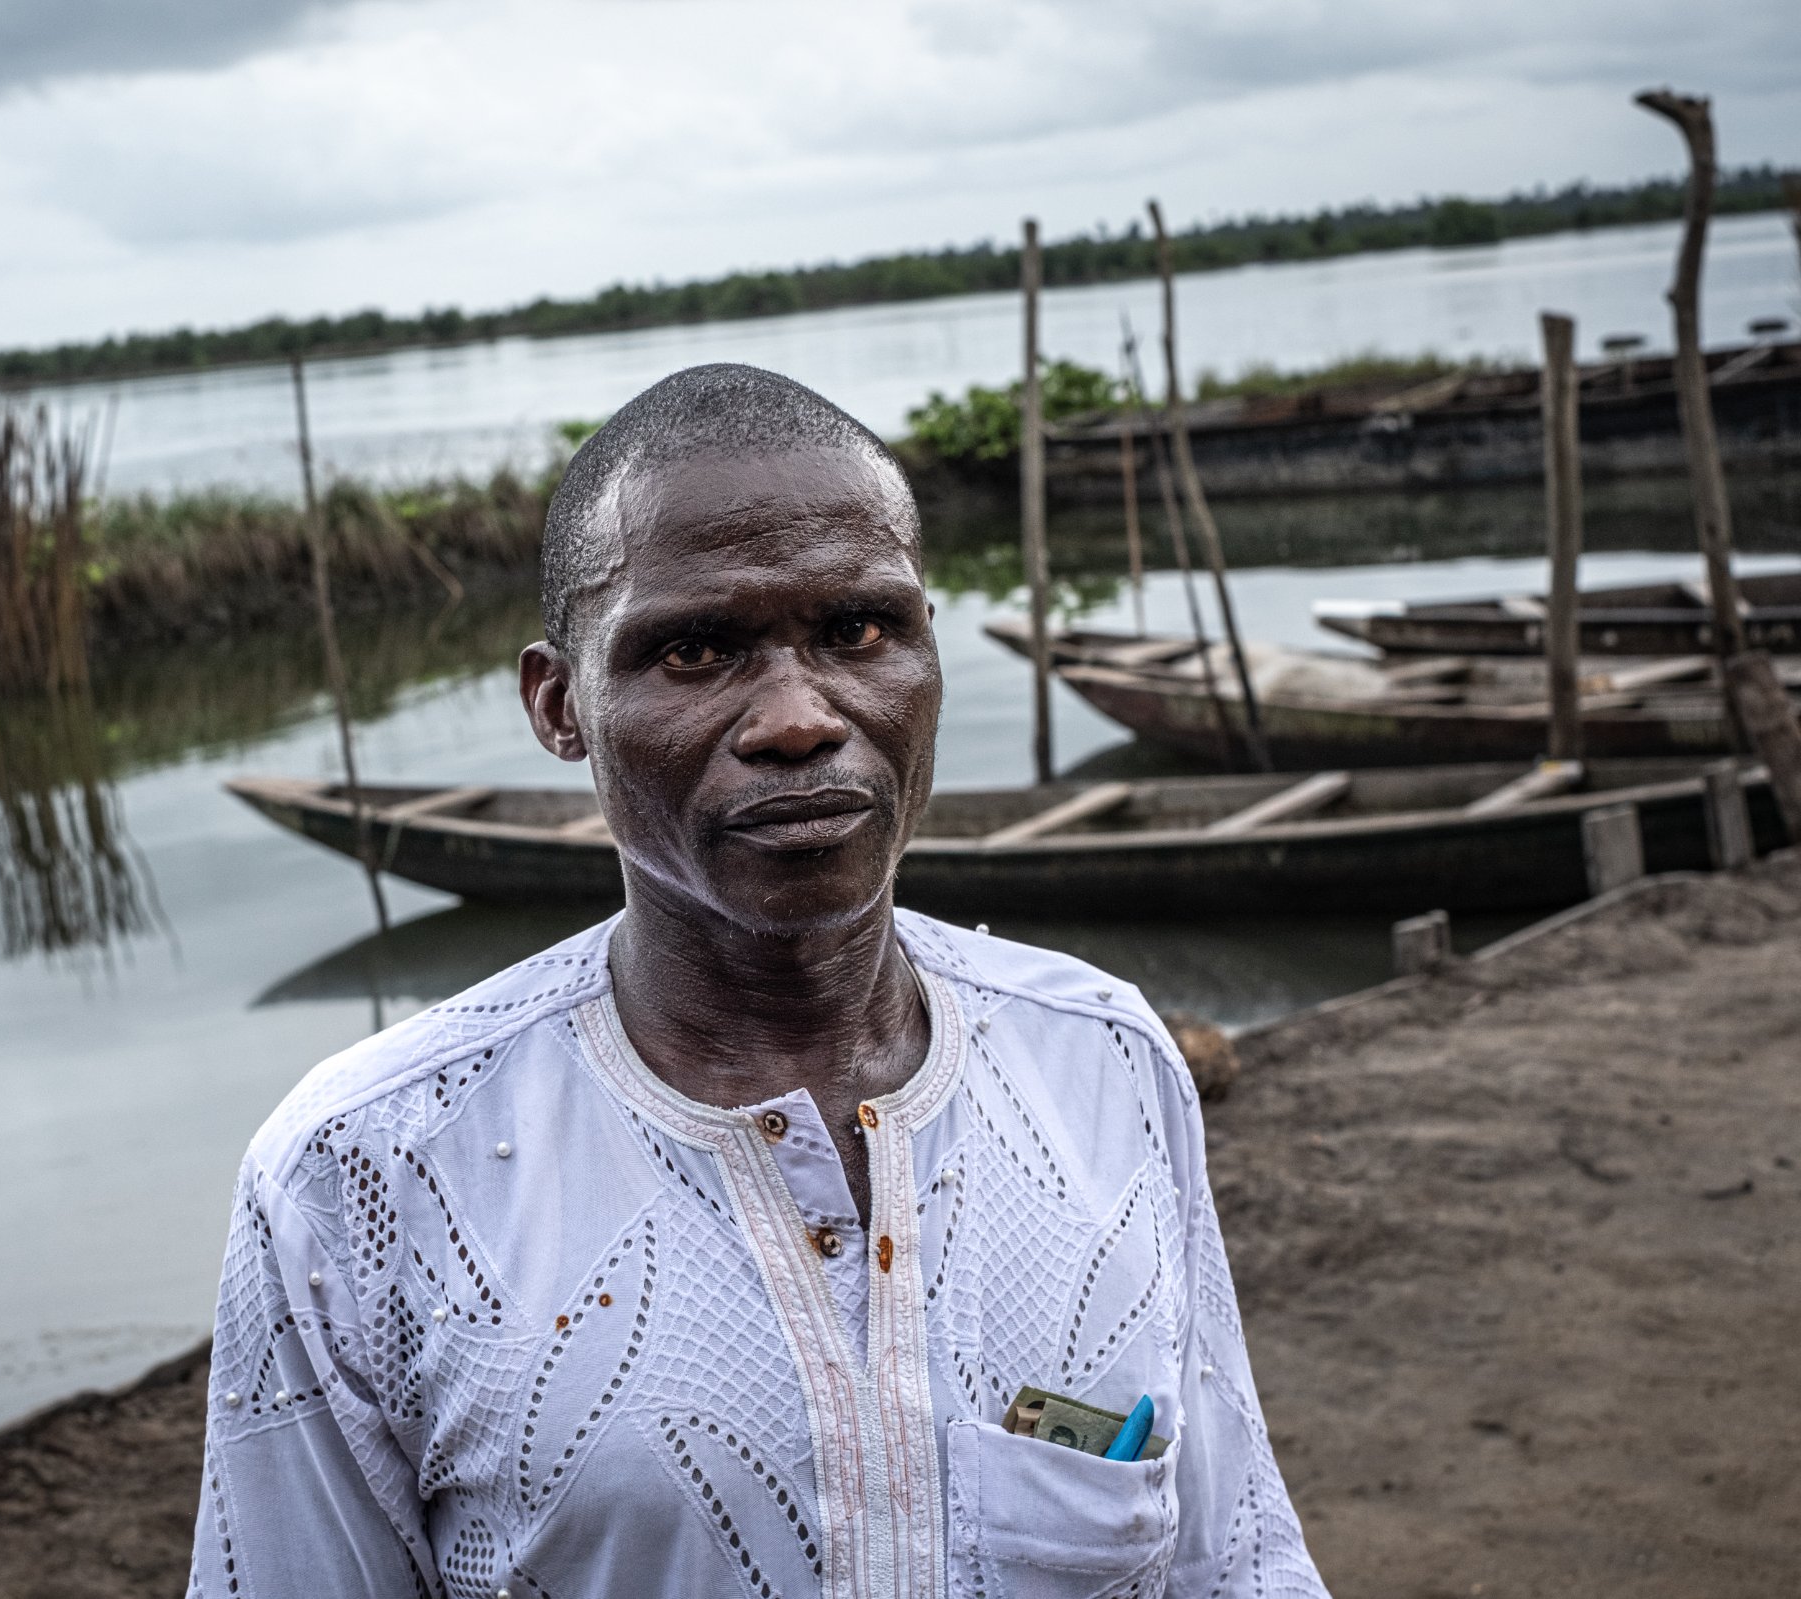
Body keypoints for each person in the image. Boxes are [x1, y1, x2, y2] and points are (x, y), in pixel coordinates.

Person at [190, 364, 1327, 1597]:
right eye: (693, 651)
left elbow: (1237, 1561)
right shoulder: (364, 1171)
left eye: (858, 631)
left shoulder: (1100, 1058)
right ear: (560, 705)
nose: (798, 717)